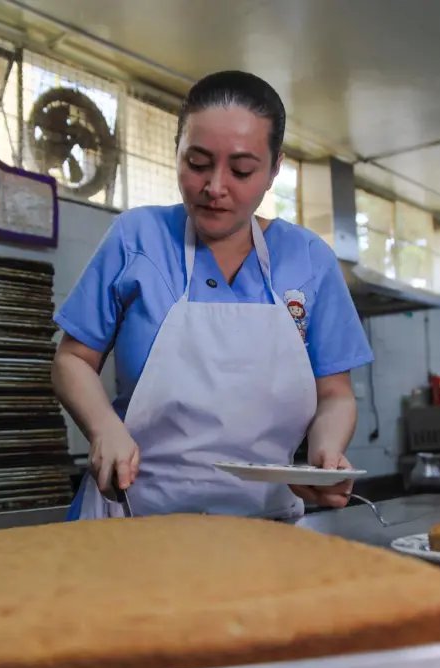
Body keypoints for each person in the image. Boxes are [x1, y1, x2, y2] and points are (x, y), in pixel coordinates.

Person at [52, 70, 373, 521]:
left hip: (264, 530)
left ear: (274, 169)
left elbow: (336, 395)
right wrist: (104, 428)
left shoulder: (309, 260)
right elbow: (72, 361)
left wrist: (325, 453)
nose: (215, 187)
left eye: (241, 170)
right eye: (198, 163)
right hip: (134, 517)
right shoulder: (137, 238)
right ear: (177, 152)